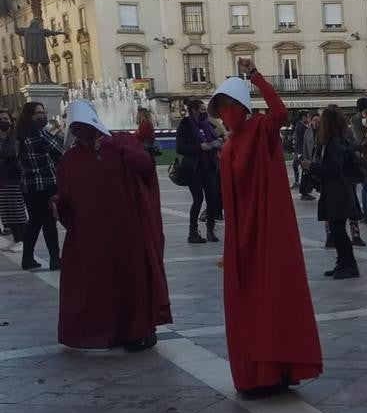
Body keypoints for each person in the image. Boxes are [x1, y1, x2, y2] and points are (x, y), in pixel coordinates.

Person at [210, 57, 323, 399]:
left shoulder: (260, 128)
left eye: (231, 104)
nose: (227, 111)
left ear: (242, 106)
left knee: (274, 296)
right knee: (248, 303)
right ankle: (257, 374)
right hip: (241, 232)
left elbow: (280, 113)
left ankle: (281, 368)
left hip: (269, 227)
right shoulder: (227, 147)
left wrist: (255, 76)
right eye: (221, 106)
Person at [55, 101, 171, 351]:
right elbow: (66, 201)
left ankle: (141, 330)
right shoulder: (69, 161)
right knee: (105, 286)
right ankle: (114, 330)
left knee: (134, 281)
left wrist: (115, 146)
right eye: (76, 127)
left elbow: (145, 165)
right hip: (93, 235)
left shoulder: (120, 142)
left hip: (128, 229)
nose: (80, 131)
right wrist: (58, 206)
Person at [303, 107, 361, 279]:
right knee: (337, 230)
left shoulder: (335, 143)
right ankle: (342, 263)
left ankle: (349, 266)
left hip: (338, 192)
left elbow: (334, 169)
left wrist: (311, 166)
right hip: (337, 190)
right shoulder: (337, 140)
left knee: (339, 231)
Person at [15, 102, 62, 270]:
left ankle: (27, 258)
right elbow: (60, 151)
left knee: (34, 222)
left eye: (44, 112)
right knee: (49, 222)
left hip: (28, 187)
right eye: (39, 113)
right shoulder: (38, 134)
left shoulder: (20, 135)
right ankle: (55, 259)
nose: (43, 116)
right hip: (45, 185)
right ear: (30, 116)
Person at [176, 99, 223, 243]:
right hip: (194, 168)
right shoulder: (186, 125)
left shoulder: (207, 124)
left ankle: (210, 230)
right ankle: (193, 232)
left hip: (209, 166)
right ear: (194, 110)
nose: (205, 112)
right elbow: (180, 148)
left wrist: (217, 143)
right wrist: (199, 147)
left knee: (212, 199)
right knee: (198, 199)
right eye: (202, 109)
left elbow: (217, 137)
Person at [0, 109, 27, 255]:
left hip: (13, 177)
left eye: (5, 118)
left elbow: (10, 152)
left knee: (16, 209)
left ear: (11, 121)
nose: (3, 121)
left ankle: (23, 240)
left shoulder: (14, 136)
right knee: (6, 210)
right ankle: (16, 239)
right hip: (1, 178)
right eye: (0, 119)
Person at [299, 112, 319, 201]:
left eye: (318, 121)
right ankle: (304, 192)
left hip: (317, 158)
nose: (316, 122)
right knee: (306, 174)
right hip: (309, 156)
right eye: (315, 120)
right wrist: (304, 156)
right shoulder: (308, 131)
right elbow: (305, 144)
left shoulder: (322, 131)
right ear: (311, 121)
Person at [291, 110, 309, 189]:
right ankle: (300, 183)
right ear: (303, 117)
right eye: (307, 117)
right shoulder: (302, 127)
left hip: (299, 149)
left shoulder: (300, 126)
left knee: (297, 165)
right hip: (301, 150)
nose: (308, 118)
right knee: (301, 166)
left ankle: (298, 182)